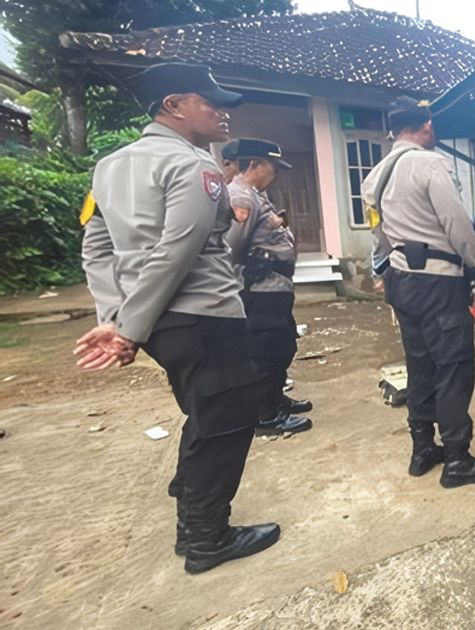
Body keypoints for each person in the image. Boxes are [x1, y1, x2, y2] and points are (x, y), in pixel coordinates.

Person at [75, 62, 280, 574]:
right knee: (228, 421)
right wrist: (125, 328)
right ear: (173, 106)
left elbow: (96, 247)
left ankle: (194, 524)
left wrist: (117, 315)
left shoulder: (108, 167)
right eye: (210, 102)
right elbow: (179, 248)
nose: (222, 112)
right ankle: (208, 538)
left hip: (164, 326)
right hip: (204, 313)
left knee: (205, 413)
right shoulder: (196, 165)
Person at [362, 101, 475, 488]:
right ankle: (457, 459)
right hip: (438, 280)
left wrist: (382, 269)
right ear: (425, 126)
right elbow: (456, 222)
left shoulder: (375, 176)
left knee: (420, 363)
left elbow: (378, 232)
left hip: (401, 279)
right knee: (453, 367)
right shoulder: (429, 164)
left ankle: (423, 448)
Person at [223, 138, 313, 436]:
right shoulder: (241, 198)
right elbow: (231, 250)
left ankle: (275, 399)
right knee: (266, 352)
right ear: (254, 165)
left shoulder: (255, 195)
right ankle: (265, 416)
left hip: (274, 289)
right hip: (260, 291)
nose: (275, 174)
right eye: (272, 168)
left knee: (282, 344)